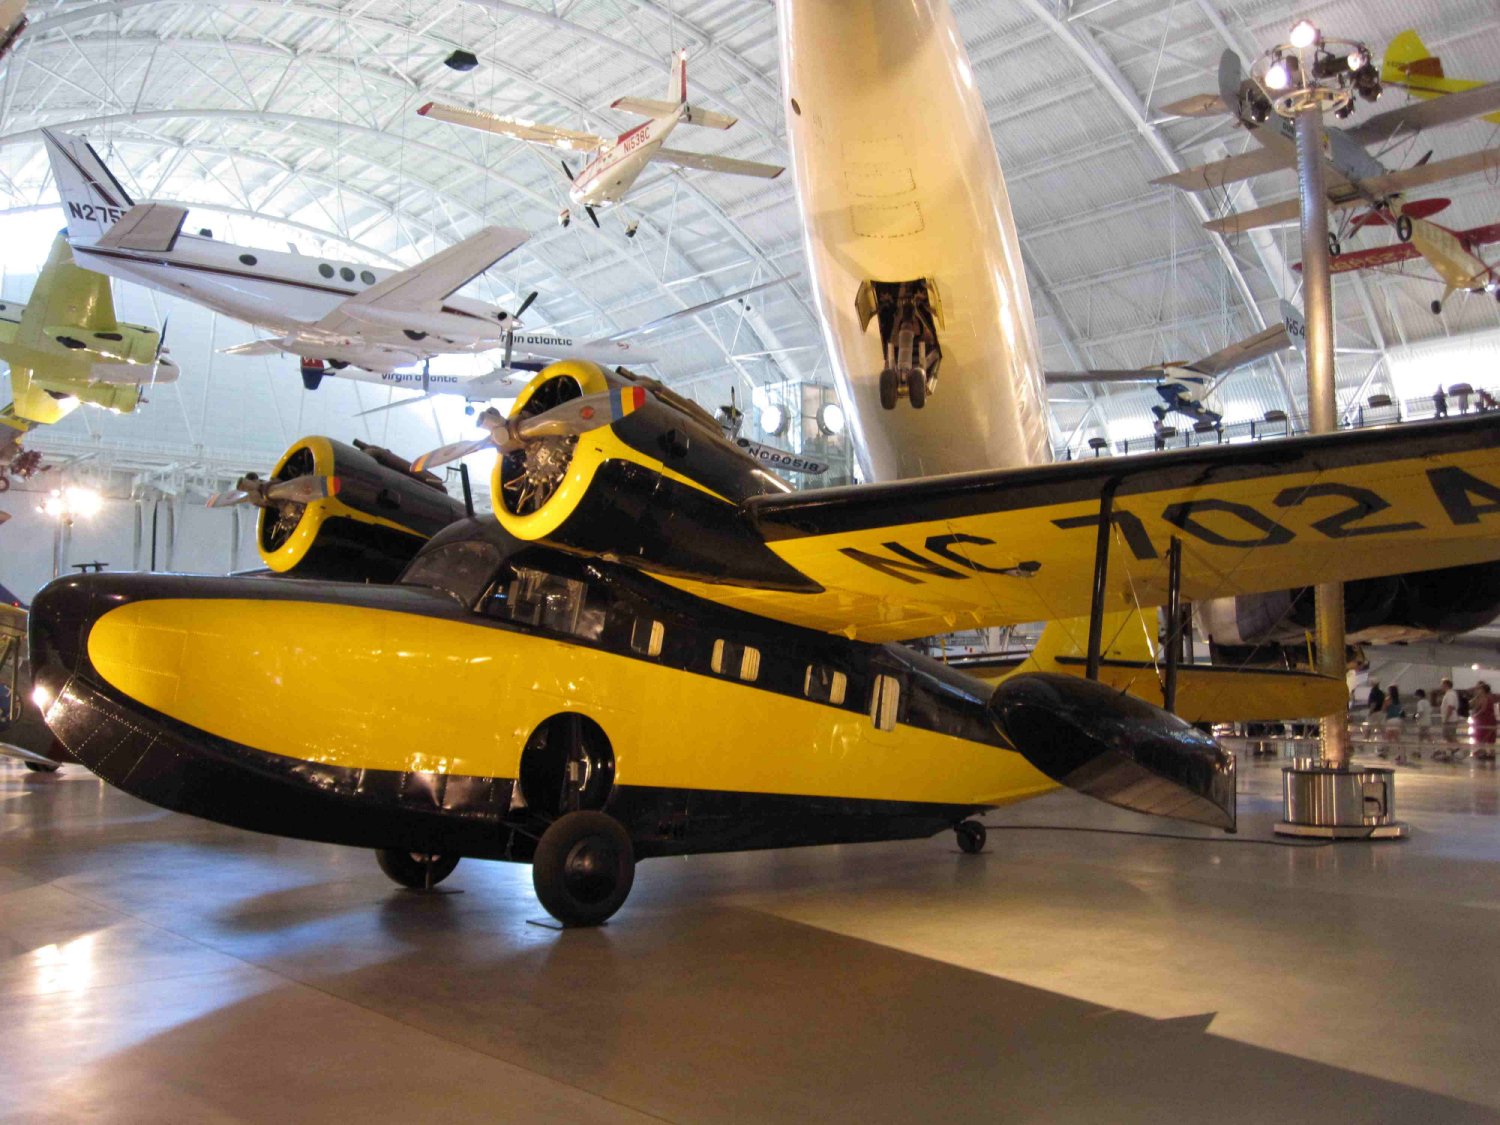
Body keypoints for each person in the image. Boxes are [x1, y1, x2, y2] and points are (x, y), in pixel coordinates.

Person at [1471, 682, 1497, 760]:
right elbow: (1475, 706)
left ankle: (1488, 753)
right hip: (1485, 719)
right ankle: (1486, 752)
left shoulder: (1486, 698)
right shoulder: (1484, 698)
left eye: (1480, 689)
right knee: (1486, 737)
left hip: (1486, 719)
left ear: (1483, 690)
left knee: (1484, 736)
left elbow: (1483, 709)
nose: (1478, 690)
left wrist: (1475, 715)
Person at [1439, 677, 1461, 745]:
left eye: (1442, 685)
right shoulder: (1449, 694)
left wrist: (1446, 719)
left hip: (1450, 720)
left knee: (1450, 736)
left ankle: (1457, 748)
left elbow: (1450, 707)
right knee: (1448, 736)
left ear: (1446, 685)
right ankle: (1453, 748)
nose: (1441, 686)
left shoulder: (1450, 694)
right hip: (1450, 719)